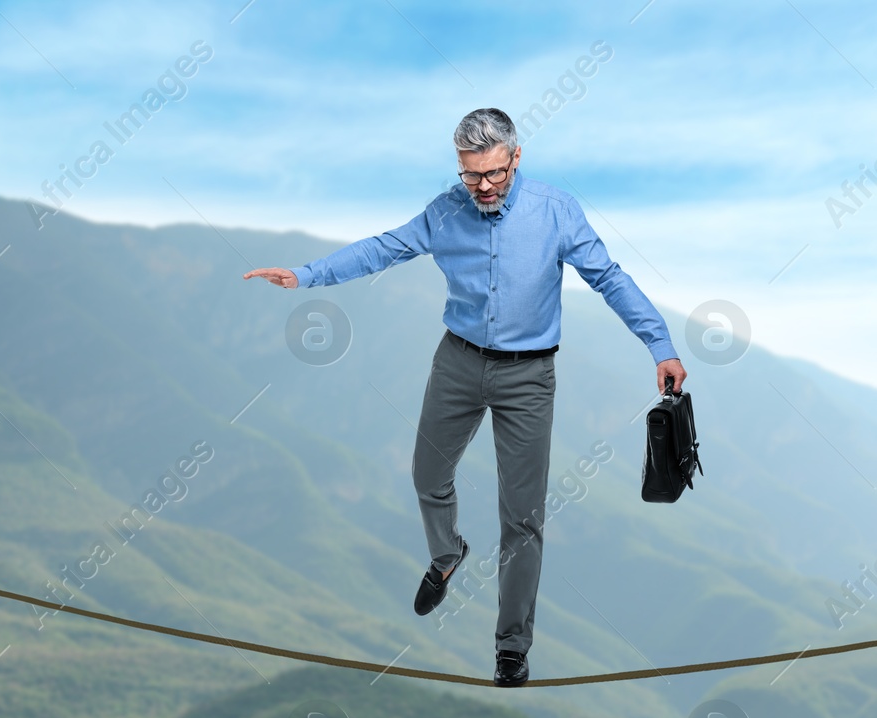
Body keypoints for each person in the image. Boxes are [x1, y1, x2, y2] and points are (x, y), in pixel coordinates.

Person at [245, 107, 685, 687]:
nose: (481, 187)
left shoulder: (556, 211)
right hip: (457, 361)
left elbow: (609, 277)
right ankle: (448, 555)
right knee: (427, 473)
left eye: (494, 174)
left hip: (528, 376)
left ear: (516, 158)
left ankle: (511, 646)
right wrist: (306, 275)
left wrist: (660, 345)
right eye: (470, 174)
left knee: (522, 517)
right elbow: (384, 248)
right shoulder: (446, 211)